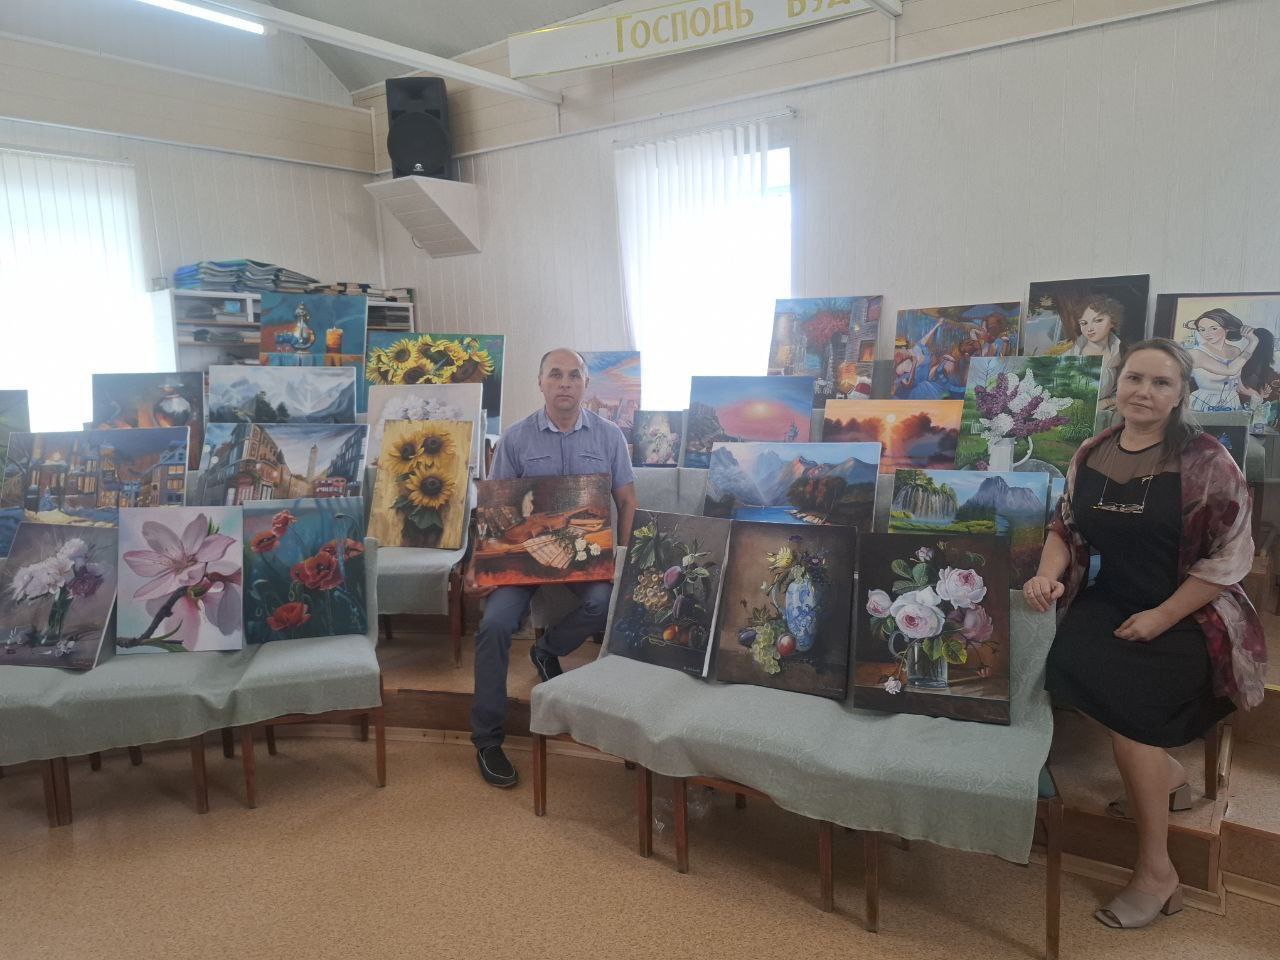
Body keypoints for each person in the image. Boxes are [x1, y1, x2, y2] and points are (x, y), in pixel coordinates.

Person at [1025, 339, 1266, 929]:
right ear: (1119, 383)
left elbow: (1228, 560)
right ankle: (1170, 775)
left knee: (1132, 725)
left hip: (1192, 611)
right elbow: (1065, 527)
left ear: (1181, 394)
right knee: (1061, 660)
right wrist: (1046, 575)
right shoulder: (1093, 451)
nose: (1144, 392)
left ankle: (1158, 873)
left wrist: (1163, 616)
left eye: (1161, 383)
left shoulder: (1209, 462)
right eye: (1135, 378)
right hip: (1113, 598)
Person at [464, 348, 637, 788]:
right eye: (555, 375)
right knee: (494, 625)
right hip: (524, 557)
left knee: (604, 603)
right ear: (540, 382)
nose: (565, 383)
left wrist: (622, 556)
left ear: (586, 384)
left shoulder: (609, 436)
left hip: (586, 557)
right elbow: (495, 509)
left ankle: (547, 649)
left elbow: (627, 501)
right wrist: (478, 564)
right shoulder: (515, 439)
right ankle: (487, 739)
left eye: (574, 375)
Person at [1183, 308, 1274, 412]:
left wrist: (1257, 394)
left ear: (1226, 328)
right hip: (1205, 403)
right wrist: (1253, 342)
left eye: (1213, 328)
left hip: (1231, 402)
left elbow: (1239, 387)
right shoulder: (1196, 353)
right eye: (1202, 329)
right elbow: (1230, 370)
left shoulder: (1235, 351)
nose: (1207, 333)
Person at [1062, 295, 1125, 406]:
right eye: (1084, 323)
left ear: (1112, 321)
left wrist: (1108, 402)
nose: (1089, 328)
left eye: (1098, 320)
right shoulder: (1069, 356)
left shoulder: (1120, 353)